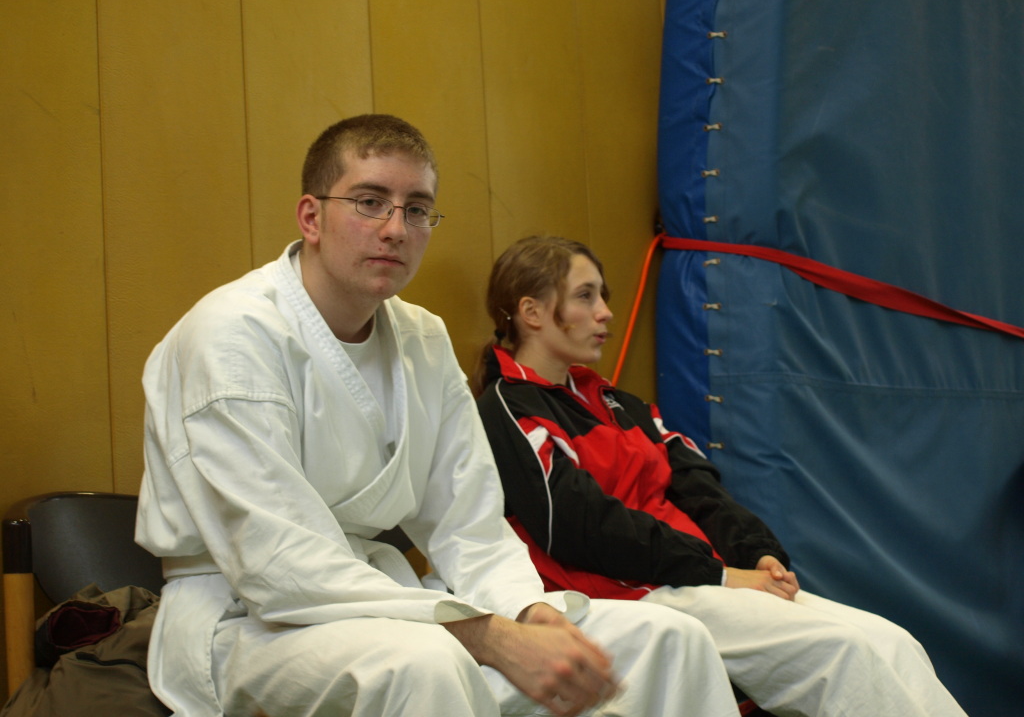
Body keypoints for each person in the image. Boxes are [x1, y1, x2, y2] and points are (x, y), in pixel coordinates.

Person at [135, 115, 744, 717]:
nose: (396, 229)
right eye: (370, 202)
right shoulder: (232, 335)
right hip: (247, 618)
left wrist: (532, 615)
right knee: (427, 665)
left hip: (382, 604)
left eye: (418, 209)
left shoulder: (422, 337)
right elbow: (277, 561)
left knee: (667, 638)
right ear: (311, 217)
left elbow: (468, 524)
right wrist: (492, 638)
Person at [472, 235, 970, 717]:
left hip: (697, 577)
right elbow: (576, 525)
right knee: (840, 652)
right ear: (531, 312)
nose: (605, 312)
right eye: (586, 296)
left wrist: (756, 553)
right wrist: (721, 575)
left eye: (603, 295)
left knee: (892, 641)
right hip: (632, 590)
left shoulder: (616, 402)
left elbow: (699, 489)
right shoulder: (507, 406)